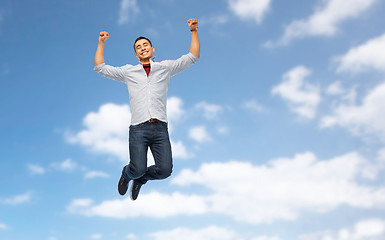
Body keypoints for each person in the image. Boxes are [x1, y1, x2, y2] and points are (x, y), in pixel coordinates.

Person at [93, 19, 200, 201]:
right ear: (136, 54)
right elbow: (100, 67)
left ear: (152, 49)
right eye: (138, 47)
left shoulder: (165, 68)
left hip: (160, 128)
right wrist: (101, 43)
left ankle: (141, 180)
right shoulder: (129, 72)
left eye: (145, 45)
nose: (142, 48)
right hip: (138, 129)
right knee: (137, 168)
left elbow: (192, 57)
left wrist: (193, 31)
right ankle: (127, 175)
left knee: (165, 170)